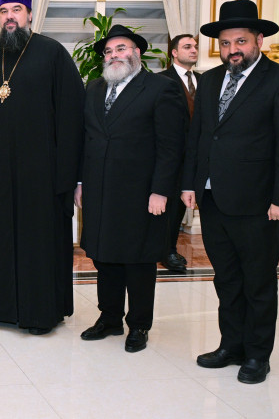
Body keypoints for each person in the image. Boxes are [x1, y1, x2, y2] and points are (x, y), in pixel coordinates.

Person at [182, 0, 279, 384]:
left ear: (259, 40)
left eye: (240, 41)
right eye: (225, 43)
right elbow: (198, 137)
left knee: (258, 282)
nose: (232, 49)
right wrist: (189, 183)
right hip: (212, 198)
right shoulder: (209, 80)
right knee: (226, 279)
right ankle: (231, 346)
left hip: (258, 202)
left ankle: (257, 355)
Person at [0, 0, 85, 334]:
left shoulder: (53, 54)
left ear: (30, 14)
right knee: (0, 239)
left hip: (41, 175)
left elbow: (72, 118)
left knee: (38, 244)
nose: (9, 17)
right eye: (4, 11)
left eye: (16, 10)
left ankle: (40, 313)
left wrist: (68, 176)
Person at [75, 25, 187, 353]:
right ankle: (109, 318)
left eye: (121, 49)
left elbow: (171, 146)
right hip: (99, 190)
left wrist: (160, 190)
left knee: (139, 261)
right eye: (109, 52)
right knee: (104, 257)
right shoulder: (94, 88)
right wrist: (80, 182)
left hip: (141, 194)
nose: (114, 56)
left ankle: (139, 324)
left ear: (137, 53)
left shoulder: (161, 88)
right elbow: (84, 139)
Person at [157, 33, 201, 273]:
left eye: (195, 46)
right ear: (174, 52)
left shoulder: (204, 80)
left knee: (184, 204)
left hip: (196, 155)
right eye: (187, 47)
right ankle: (167, 250)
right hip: (171, 154)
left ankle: (169, 248)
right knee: (170, 206)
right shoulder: (160, 80)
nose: (193, 50)